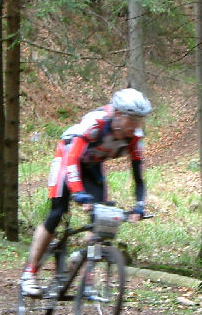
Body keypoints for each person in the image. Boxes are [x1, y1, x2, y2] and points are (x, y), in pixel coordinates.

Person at [20, 88, 152, 296]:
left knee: (102, 221)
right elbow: (71, 161)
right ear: (117, 115)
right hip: (68, 157)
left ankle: (86, 275)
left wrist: (139, 205)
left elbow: (139, 177)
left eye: (140, 121)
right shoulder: (96, 123)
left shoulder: (135, 138)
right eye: (132, 120)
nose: (136, 126)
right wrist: (79, 193)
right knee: (57, 212)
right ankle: (30, 273)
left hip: (92, 167)